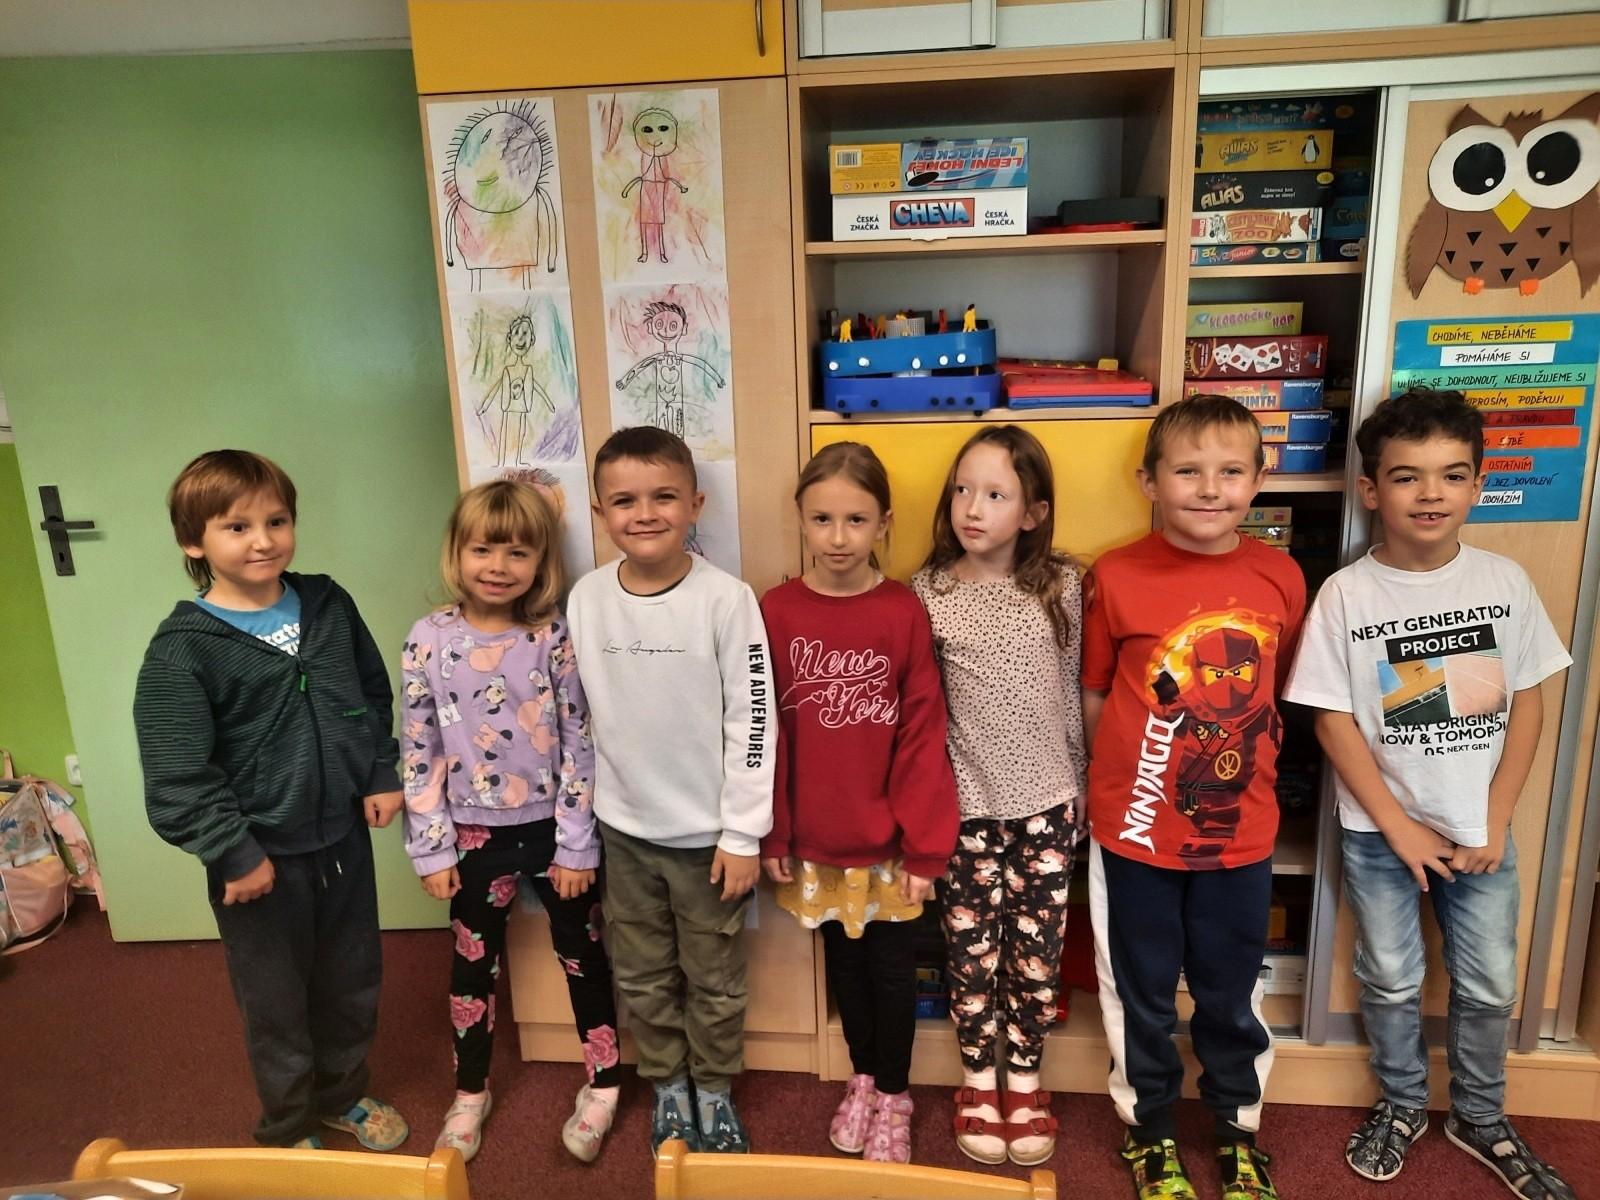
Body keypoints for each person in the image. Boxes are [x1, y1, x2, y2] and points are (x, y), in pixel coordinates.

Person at [1283, 388, 1574, 1199]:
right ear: (1371, 489)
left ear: (1479, 484)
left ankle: (1480, 1116)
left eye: (1451, 475)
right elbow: (1332, 721)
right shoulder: (1347, 594)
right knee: (1389, 976)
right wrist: (1398, 826)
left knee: (1490, 984)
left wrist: (1496, 817)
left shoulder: (1505, 582)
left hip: (1480, 829)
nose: (1431, 494)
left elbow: (1527, 705)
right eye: (1407, 477)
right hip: (1381, 832)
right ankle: (1404, 1102)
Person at [133, 449, 408, 1152]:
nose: (263, 540)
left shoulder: (328, 604)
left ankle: (341, 1095)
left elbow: (370, 694)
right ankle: (288, 1126)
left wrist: (380, 770)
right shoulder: (182, 650)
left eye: (277, 521)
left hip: (341, 840)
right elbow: (176, 774)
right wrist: (232, 852)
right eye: (237, 527)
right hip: (258, 861)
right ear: (193, 542)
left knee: (351, 978)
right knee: (277, 1001)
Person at [1081, 396, 1305, 1200]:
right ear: (1149, 481)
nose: (1210, 488)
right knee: (1138, 988)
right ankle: (1149, 1129)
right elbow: (1097, 693)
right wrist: (1112, 786)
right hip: (1135, 832)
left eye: (1230, 471)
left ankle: (1237, 1127)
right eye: (1187, 471)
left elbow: (1280, 690)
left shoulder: (1280, 576)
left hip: (1240, 835)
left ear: (1258, 479)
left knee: (1230, 986)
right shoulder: (1114, 575)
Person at [565, 425, 775, 1156]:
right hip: (623, 834)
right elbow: (579, 719)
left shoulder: (726, 599)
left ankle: (712, 1087)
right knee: (643, 973)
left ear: (695, 505)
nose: (645, 513)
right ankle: (668, 1086)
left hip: (708, 841)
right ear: (599, 512)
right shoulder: (586, 599)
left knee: (713, 977)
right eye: (624, 501)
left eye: (664, 497)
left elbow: (754, 718)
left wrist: (742, 832)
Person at [400, 480, 619, 1164]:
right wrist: (432, 848)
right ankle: (470, 1092)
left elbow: (582, 740)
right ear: (457, 552)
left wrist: (577, 844)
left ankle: (605, 1084)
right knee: (472, 967)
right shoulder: (428, 639)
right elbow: (418, 747)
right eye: (483, 549)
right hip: (471, 837)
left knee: (584, 955)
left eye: (518, 552)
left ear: (540, 561)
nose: (498, 566)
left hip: (555, 832)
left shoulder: (552, 636)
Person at [760, 442, 959, 1165]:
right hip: (816, 841)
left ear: (884, 522)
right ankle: (864, 1078)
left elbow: (922, 734)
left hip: (892, 847)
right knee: (843, 968)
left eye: (856, 519)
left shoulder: (901, 609)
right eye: (822, 519)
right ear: (800, 518)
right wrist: (774, 834)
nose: (838, 537)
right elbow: (765, 733)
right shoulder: (776, 610)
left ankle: (896, 1093)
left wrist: (926, 847)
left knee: (891, 970)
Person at [910, 425, 1086, 1168]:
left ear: (1033, 512)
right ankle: (979, 1083)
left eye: (994, 494)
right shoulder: (930, 592)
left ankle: (1025, 1079)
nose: (972, 508)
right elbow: (921, 713)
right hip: (968, 812)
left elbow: (1073, 689)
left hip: (1049, 806)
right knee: (971, 955)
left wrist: (1081, 787)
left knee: (1036, 957)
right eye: (962, 490)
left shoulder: (1062, 583)